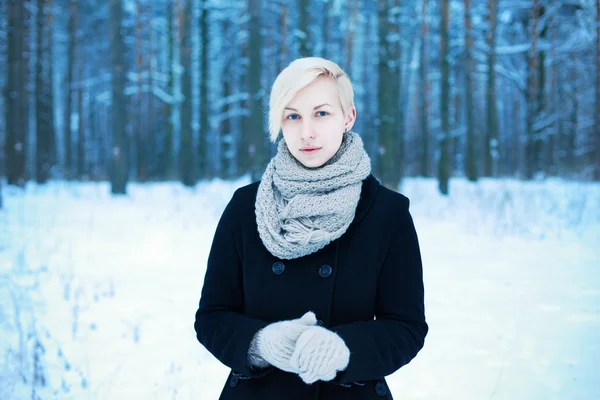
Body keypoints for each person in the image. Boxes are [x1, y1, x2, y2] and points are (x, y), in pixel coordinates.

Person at [194, 57, 428, 400]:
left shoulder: (387, 213)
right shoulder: (245, 207)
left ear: (348, 117)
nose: (307, 132)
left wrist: (344, 349)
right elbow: (212, 317)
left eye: (321, 113)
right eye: (293, 116)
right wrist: (260, 344)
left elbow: (406, 328)